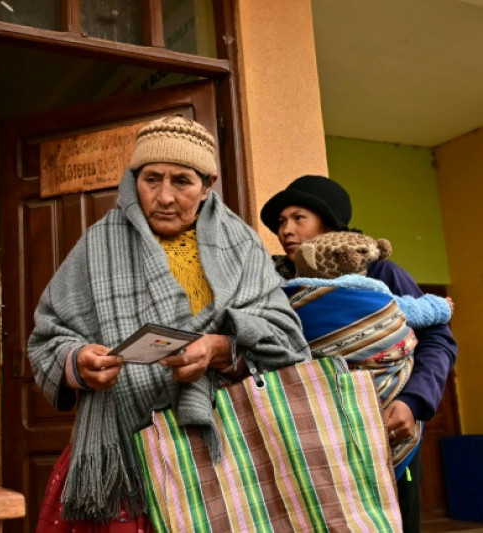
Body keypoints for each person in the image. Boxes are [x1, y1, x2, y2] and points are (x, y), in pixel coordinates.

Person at [28, 116, 311, 530]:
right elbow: (47, 335)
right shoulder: (97, 245)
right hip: (122, 454)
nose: (163, 196)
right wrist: (79, 362)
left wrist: (219, 348)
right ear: (133, 180)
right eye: (151, 179)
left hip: (222, 448)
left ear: (208, 184)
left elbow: (284, 336)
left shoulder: (243, 245)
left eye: (182, 181)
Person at [260, 175, 458, 533]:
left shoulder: (380, 273)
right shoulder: (280, 283)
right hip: (315, 442)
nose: (285, 230)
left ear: (330, 221)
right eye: (280, 222)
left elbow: (438, 341)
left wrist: (414, 402)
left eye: (298, 218)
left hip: (388, 430)